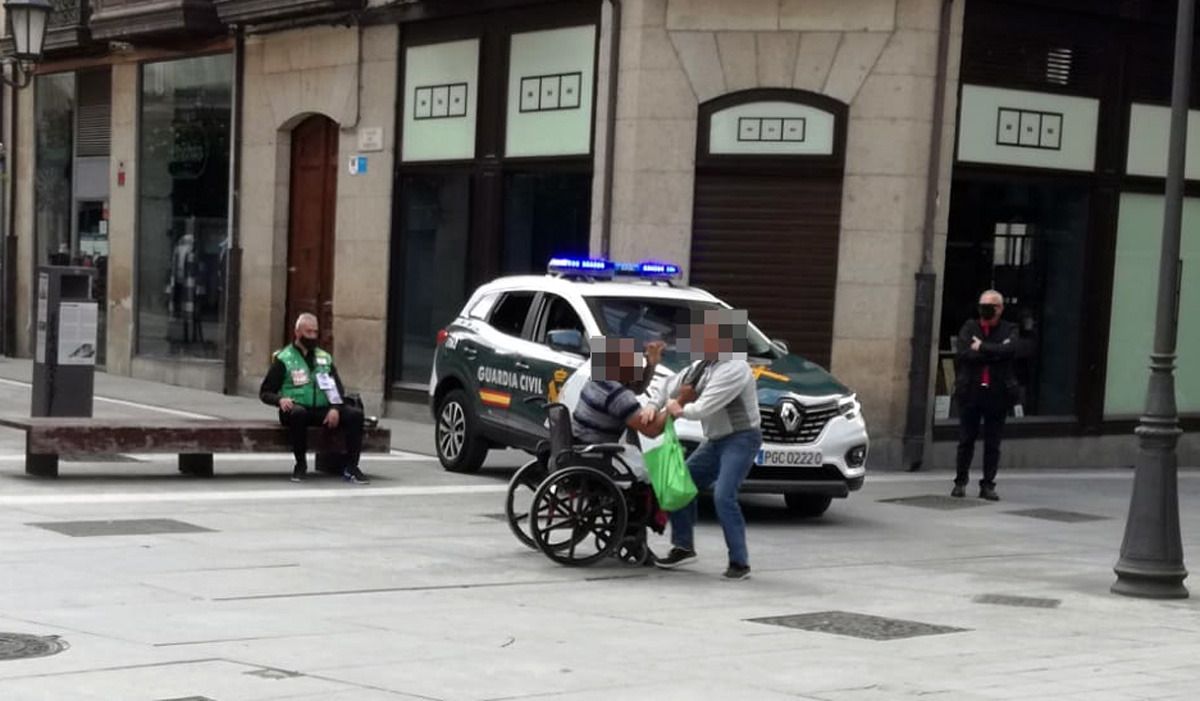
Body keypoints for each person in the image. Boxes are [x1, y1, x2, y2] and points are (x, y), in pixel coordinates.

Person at [644, 309, 761, 581]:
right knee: (680, 483)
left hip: (741, 439)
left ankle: (739, 562)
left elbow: (705, 407)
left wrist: (677, 409)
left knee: (724, 495)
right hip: (716, 440)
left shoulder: (735, 368)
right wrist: (653, 405)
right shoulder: (702, 365)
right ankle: (683, 546)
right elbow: (669, 385)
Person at [260, 313, 369, 484]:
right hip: (295, 409)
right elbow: (265, 392)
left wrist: (335, 408)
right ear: (297, 333)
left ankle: (352, 467)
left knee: (355, 414)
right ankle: (300, 465)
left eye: (315, 332)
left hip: (322, 409)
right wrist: (280, 400)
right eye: (308, 332)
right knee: (299, 414)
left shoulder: (324, 358)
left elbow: (337, 389)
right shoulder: (284, 359)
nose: (312, 336)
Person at [952, 289, 1018, 501]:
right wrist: (995, 352)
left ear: (1000, 308)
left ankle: (988, 484)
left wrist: (981, 347)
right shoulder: (970, 327)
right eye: (983, 305)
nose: (986, 310)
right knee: (966, 440)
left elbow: (1010, 351)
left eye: (991, 306)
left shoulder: (1009, 328)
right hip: (970, 391)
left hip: (997, 393)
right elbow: (963, 354)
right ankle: (960, 481)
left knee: (993, 443)